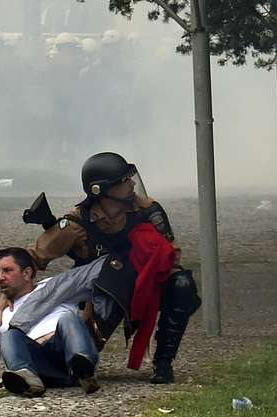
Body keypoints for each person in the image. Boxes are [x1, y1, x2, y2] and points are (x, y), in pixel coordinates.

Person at [13, 151, 201, 384]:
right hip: (101, 294)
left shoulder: (148, 211)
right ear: (99, 190)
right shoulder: (76, 223)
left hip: (144, 288)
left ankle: (163, 363)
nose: (131, 183)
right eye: (123, 181)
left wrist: (146, 278)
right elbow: (31, 260)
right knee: (77, 361)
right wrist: (6, 298)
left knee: (182, 285)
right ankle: (37, 363)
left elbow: (171, 258)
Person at [0, 247, 101, 397]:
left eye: (7, 270)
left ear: (27, 273)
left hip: (67, 349)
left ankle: (84, 370)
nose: (0, 277)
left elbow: (94, 278)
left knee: (68, 319)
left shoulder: (52, 286)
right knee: (9, 335)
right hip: (40, 364)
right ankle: (27, 380)